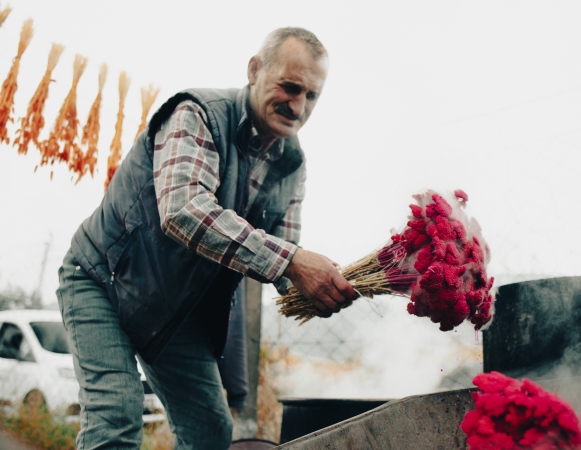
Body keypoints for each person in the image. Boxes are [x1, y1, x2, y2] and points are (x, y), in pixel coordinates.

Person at [56, 27, 356, 450]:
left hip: (174, 307)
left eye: (311, 96)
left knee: (210, 431)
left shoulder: (292, 164)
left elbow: (285, 259)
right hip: (102, 279)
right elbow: (182, 212)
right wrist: (291, 262)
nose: (298, 105)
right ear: (255, 70)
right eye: (290, 87)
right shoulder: (197, 113)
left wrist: (338, 284)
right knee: (117, 417)